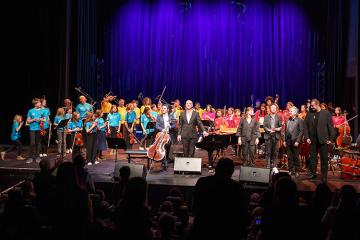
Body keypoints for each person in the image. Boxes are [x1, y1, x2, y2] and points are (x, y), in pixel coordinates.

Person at [191, 158, 248, 240]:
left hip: (202, 230)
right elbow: (242, 213)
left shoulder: (202, 182)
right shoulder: (237, 188)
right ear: (232, 172)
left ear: (216, 169)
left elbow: (195, 207)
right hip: (228, 232)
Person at [304, 99, 335, 182]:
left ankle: (324, 176)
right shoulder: (309, 113)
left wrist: (330, 139)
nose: (311, 107)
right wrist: (307, 137)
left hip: (323, 140)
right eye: (311, 105)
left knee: (324, 159)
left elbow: (331, 127)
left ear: (318, 104)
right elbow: (305, 127)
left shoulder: (326, 113)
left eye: (313, 105)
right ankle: (313, 173)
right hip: (312, 140)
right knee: (313, 158)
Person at [283, 106, 304, 177]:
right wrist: (284, 140)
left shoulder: (300, 120)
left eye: (291, 111)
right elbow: (285, 131)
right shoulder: (287, 120)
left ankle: (297, 170)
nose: (289, 112)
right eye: (289, 111)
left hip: (295, 141)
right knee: (289, 157)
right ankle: (290, 170)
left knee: (295, 156)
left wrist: (298, 141)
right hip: (288, 141)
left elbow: (301, 131)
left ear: (295, 112)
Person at [156, 104, 177, 170]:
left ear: (167, 110)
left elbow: (174, 125)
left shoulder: (171, 116)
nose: (163, 109)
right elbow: (157, 126)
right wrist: (162, 129)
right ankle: (164, 161)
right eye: (162, 108)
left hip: (169, 134)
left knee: (168, 147)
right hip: (162, 134)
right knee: (163, 147)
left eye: (164, 108)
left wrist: (169, 126)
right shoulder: (159, 116)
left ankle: (166, 159)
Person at [263, 104, 282, 168]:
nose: (273, 109)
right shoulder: (266, 116)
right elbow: (264, 126)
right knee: (268, 152)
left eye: (274, 108)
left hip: (276, 136)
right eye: (272, 108)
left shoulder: (278, 116)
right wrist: (269, 130)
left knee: (275, 152)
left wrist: (277, 129)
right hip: (268, 136)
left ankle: (275, 166)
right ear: (270, 109)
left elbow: (281, 126)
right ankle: (268, 166)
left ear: (276, 109)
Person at [26, 98, 44, 163]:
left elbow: (45, 119)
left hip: (39, 129)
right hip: (32, 129)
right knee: (32, 143)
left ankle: (37, 157)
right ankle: (30, 157)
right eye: (39, 102)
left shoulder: (42, 111)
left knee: (38, 143)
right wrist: (34, 119)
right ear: (35, 104)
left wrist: (40, 119)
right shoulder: (30, 111)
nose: (40, 104)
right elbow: (28, 121)